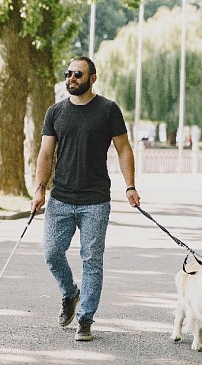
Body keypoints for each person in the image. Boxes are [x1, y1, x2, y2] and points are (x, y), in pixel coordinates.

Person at [31, 56, 140, 341]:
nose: (71, 78)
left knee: (92, 260)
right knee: (52, 252)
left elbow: (124, 149)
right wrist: (39, 188)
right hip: (60, 197)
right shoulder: (55, 112)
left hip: (95, 200)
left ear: (92, 78)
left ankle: (85, 319)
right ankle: (70, 293)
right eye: (68, 74)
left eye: (78, 74)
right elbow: (45, 154)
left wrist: (130, 186)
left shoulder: (108, 110)